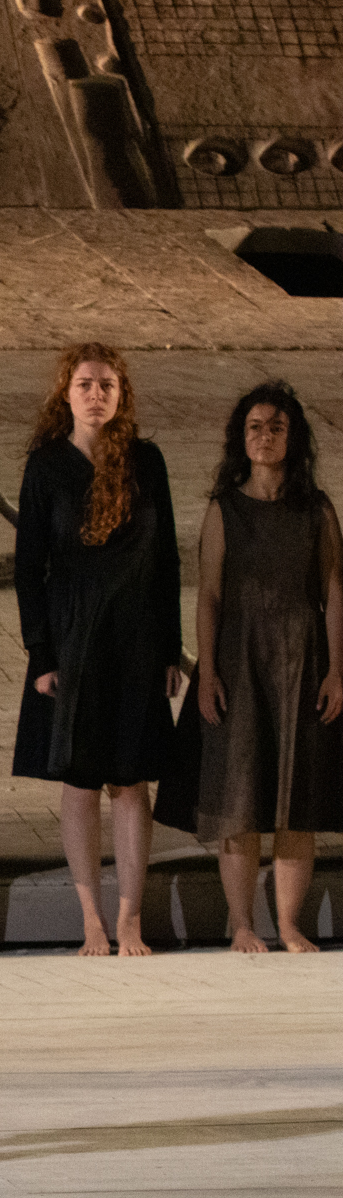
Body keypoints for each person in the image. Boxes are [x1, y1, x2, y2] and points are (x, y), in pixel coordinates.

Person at [154, 382, 339, 954]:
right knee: (239, 797)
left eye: (276, 427)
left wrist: (337, 671)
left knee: (294, 802)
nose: (265, 436)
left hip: (302, 660)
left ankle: (289, 923)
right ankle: (241, 923)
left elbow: (335, 592)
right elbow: (208, 595)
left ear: (293, 437)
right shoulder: (224, 508)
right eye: (255, 427)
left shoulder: (316, 509)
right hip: (239, 660)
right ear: (241, 436)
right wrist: (207, 670)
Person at [12, 343, 182, 958]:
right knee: (81, 781)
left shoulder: (146, 460)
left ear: (121, 394)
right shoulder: (47, 466)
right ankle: (91, 919)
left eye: (106, 384)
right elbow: (28, 567)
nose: (95, 394)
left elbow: (166, 560)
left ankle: (130, 919)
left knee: (130, 782)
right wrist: (41, 654)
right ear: (66, 393)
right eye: (85, 384)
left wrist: (171, 648)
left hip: (135, 639)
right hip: (73, 640)